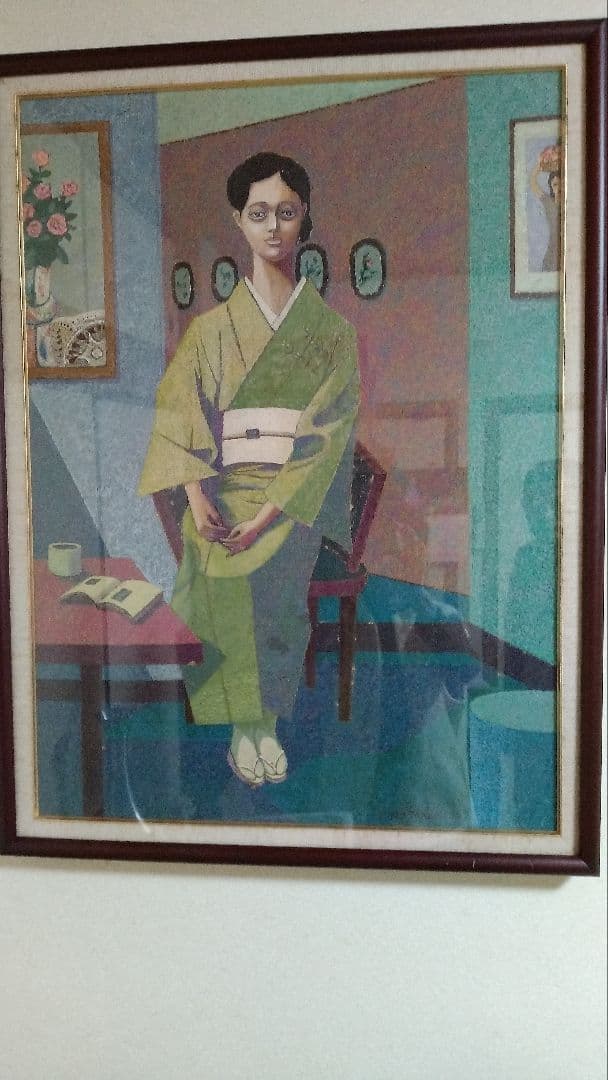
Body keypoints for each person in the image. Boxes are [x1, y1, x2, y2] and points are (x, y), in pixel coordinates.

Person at [139, 152, 360, 787]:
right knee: (211, 560)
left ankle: (260, 720)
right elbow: (180, 415)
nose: (273, 228)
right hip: (226, 489)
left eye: (285, 213)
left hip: (293, 498)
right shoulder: (209, 331)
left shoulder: (331, 334)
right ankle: (245, 724)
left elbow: (326, 438)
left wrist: (267, 515)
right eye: (258, 213)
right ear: (238, 220)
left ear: (304, 218)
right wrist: (197, 497)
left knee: (267, 568)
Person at [529, 157, 561, 272]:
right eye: (555, 184)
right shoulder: (549, 203)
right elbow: (532, 181)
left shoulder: (573, 203)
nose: (559, 188)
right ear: (551, 187)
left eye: (562, 184)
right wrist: (542, 164)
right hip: (552, 254)